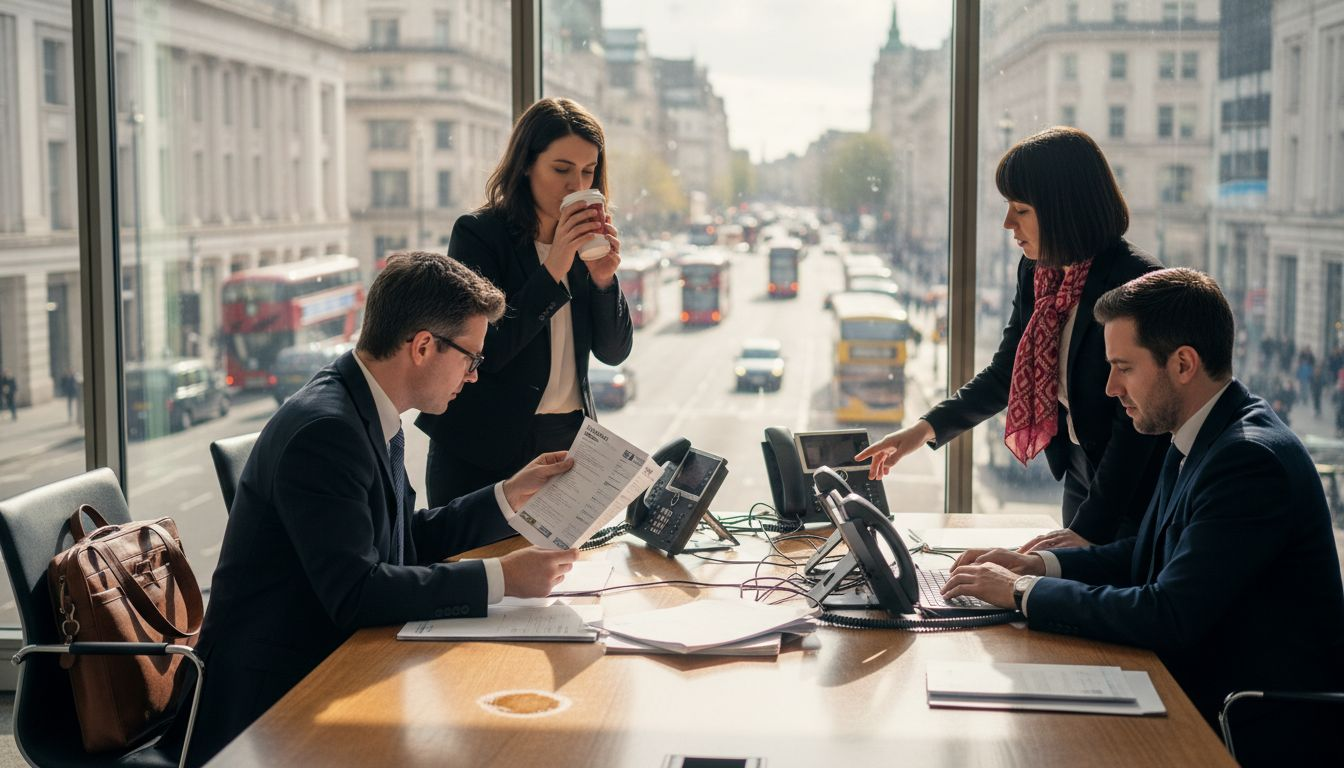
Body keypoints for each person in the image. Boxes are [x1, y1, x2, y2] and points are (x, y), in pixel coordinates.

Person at [179, 252, 580, 765]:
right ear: (422, 347)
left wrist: (508, 495)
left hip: (336, 663)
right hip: (271, 703)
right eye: (472, 359)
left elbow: (400, 543)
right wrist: (501, 578)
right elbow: (357, 592)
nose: (475, 375)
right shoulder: (327, 431)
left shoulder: (365, 406)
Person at [940, 268, 1344, 761]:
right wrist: (1037, 567)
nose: (1111, 387)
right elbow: (1149, 554)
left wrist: (1022, 594)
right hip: (1196, 688)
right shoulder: (1199, 432)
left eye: (1124, 367)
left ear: (1182, 364)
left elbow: (1167, 613)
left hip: (1245, 724)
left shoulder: (1249, 461)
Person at [857, 127, 1166, 550]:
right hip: (1078, 470)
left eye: (1020, 209)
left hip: (1133, 491)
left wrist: (1087, 531)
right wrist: (924, 429)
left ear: (1062, 211)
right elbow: (1008, 370)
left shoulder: (1136, 283)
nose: (1007, 224)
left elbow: (1136, 428)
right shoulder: (1038, 272)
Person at [416, 97, 633, 507]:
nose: (577, 186)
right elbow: (485, 352)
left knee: (564, 568)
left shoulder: (588, 245)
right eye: (561, 169)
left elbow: (614, 351)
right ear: (527, 165)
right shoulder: (479, 234)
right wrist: (552, 269)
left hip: (566, 439)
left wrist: (605, 280)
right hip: (485, 445)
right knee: (477, 565)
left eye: (588, 172)